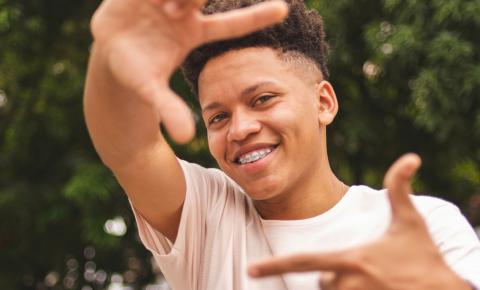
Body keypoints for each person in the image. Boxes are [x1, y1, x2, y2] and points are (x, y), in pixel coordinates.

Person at [83, 0, 480, 289]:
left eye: (262, 100)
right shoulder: (209, 216)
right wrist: (110, 56)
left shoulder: (427, 225)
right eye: (217, 117)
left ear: (323, 102)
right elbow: (130, 150)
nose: (239, 128)